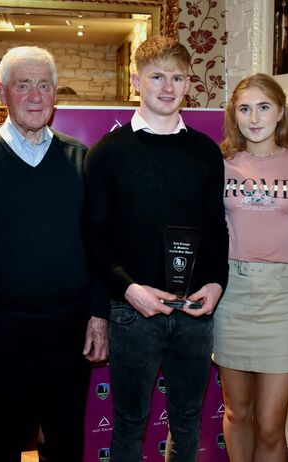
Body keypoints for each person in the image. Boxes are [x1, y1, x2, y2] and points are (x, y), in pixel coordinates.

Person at [0, 46, 109, 462]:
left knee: (65, 442)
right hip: (0, 330)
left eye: (44, 85)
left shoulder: (80, 159)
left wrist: (98, 313)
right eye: (23, 85)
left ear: (56, 94)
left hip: (68, 328)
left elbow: (99, 246)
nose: (35, 95)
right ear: (3, 92)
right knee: (0, 442)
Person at [84, 36, 229, 461]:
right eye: (157, 76)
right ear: (136, 81)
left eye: (178, 77)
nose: (168, 87)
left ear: (189, 84)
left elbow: (216, 228)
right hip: (132, 311)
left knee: (187, 421)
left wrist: (217, 283)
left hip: (194, 311)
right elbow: (94, 238)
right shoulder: (108, 153)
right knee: (128, 422)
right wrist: (128, 290)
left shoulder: (205, 152)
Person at [214, 73, 288, 462]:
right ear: (235, 116)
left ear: (280, 113)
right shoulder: (221, 165)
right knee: (237, 412)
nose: (254, 117)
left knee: (272, 423)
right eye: (244, 108)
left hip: (281, 296)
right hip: (232, 296)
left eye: (263, 107)